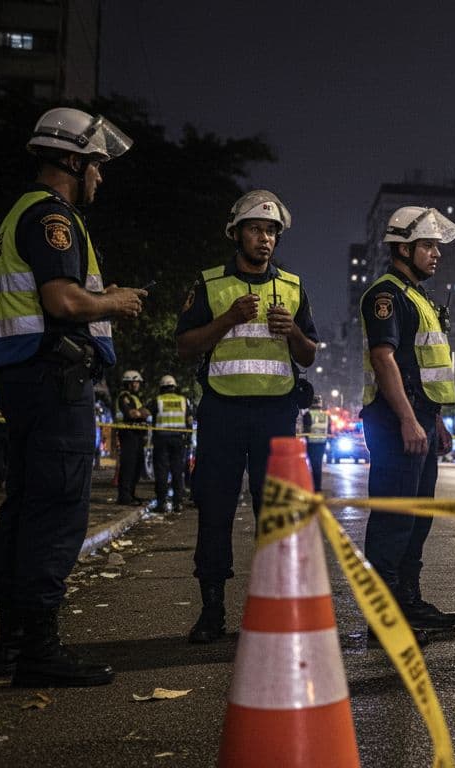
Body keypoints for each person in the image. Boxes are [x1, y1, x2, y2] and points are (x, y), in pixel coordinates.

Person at [0, 107, 142, 686]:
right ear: (73, 161)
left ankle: (10, 643)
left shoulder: (18, 213)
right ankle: (39, 651)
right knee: (57, 512)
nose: (100, 178)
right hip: (55, 383)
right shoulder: (55, 218)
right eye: (97, 166)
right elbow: (64, 301)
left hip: (27, 381)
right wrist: (117, 302)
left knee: (24, 509)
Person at [176, 190, 319, 643]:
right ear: (236, 233)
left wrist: (292, 330)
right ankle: (212, 610)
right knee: (215, 509)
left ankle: (273, 607)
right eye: (256, 229)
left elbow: (309, 354)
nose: (265, 239)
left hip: (276, 411)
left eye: (272, 231)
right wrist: (227, 321)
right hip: (221, 411)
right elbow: (184, 346)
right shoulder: (209, 283)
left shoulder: (294, 287)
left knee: (274, 513)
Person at [361, 206, 455, 644]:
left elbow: (422, 367)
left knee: (416, 519)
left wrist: (433, 420)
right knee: (393, 521)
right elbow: (385, 359)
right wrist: (407, 419)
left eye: (437, 245)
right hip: (394, 422)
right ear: (403, 248)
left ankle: (409, 602)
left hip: (420, 419)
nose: (437, 253)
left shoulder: (419, 295)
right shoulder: (387, 295)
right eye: (428, 245)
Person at [149, 374, 193, 511]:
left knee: (161, 471)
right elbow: (190, 420)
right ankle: (177, 503)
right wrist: (188, 437)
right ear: (174, 387)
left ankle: (161, 503)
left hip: (161, 439)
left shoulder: (158, 400)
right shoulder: (183, 400)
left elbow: (145, 413)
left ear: (162, 387)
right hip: (178, 439)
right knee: (177, 471)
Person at [115, 370, 149, 504]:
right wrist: (141, 413)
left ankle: (131, 494)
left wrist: (141, 413)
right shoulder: (124, 396)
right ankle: (124, 497)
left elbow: (143, 412)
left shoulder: (135, 398)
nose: (138, 385)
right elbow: (133, 414)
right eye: (136, 382)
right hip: (128, 434)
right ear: (129, 383)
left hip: (136, 435)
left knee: (136, 466)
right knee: (128, 466)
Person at [302, 394, 330, 491]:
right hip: (322, 443)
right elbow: (329, 431)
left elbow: (306, 430)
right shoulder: (326, 416)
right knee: (317, 465)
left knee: (311, 466)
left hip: (311, 443)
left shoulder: (307, 415)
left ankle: (312, 487)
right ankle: (317, 487)